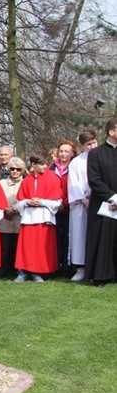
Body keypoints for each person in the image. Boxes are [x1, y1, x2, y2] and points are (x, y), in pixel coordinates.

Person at [14, 154, 62, 282]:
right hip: (29, 218)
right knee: (26, 247)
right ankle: (23, 272)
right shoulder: (26, 181)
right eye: (41, 164)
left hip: (44, 218)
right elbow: (19, 202)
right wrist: (28, 202)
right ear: (33, 165)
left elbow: (57, 201)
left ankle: (37, 272)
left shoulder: (52, 179)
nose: (45, 166)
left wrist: (42, 202)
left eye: (46, 163)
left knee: (40, 247)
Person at [84, 118, 117, 286]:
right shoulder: (96, 154)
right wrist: (113, 197)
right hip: (103, 204)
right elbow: (94, 180)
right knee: (101, 238)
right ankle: (100, 275)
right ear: (111, 132)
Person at [68, 129, 98, 282]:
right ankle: (80, 268)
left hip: (98, 200)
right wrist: (83, 199)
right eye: (88, 144)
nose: (92, 146)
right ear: (82, 146)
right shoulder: (76, 162)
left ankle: (95, 267)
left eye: (94, 142)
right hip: (81, 203)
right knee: (80, 234)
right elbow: (73, 183)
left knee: (96, 234)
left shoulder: (101, 157)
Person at [51, 139, 76, 276]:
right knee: (55, 238)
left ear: (72, 153)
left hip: (68, 209)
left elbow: (74, 188)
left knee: (67, 237)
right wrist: (56, 204)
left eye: (67, 151)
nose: (63, 154)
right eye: (61, 151)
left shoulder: (74, 168)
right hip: (54, 209)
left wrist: (65, 203)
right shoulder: (51, 168)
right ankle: (55, 265)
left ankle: (66, 266)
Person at [0, 157, 25, 278]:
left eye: (18, 169)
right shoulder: (2, 183)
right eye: (12, 169)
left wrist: (15, 208)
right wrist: (6, 208)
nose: (15, 171)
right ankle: (2, 270)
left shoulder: (25, 182)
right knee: (4, 245)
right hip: (5, 217)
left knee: (17, 245)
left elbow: (25, 198)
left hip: (19, 216)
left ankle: (16, 270)